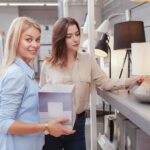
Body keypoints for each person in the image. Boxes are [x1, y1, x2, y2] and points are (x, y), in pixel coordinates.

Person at [40, 17, 143, 150]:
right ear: (60, 38)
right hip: (54, 124)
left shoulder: (87, 59)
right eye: (69, 36)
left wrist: (131, 80)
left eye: (77, 34)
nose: (76, 39)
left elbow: (105, 83)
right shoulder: (48, 65)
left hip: (78, 123)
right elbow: (43, 97)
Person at [0, 17, 75, 150]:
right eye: (28, 39)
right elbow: (3, 123)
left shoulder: (25, 71)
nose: (35, 45)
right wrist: (46, 127)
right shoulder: (16, 74)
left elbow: (25, 113)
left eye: (37, 40)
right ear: (15, 41)